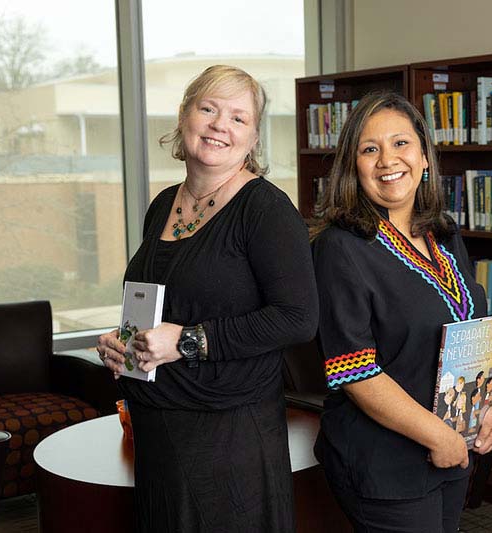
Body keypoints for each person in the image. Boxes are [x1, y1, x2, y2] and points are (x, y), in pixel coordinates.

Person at [95, 65, 318, 532]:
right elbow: (167, 303)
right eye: (208, 108)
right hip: (159, 427)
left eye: (239, 117)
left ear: (254, 137)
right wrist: (125, 341)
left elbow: (298, 318)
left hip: (229, 435)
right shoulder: (163, 205)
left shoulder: (266, 210)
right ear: (183, 117)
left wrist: (189, 342)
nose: (221, 125)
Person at [311, 91, 492, 533]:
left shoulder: (442, 232)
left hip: (451, 449)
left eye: (401, 144)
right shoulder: (339, 248)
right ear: (354, 166)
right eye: (370, 149)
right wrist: (438, 436)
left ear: (424, 157)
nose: (388, 160)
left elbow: (470, 327)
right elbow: (354, 373)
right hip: (386, 463)